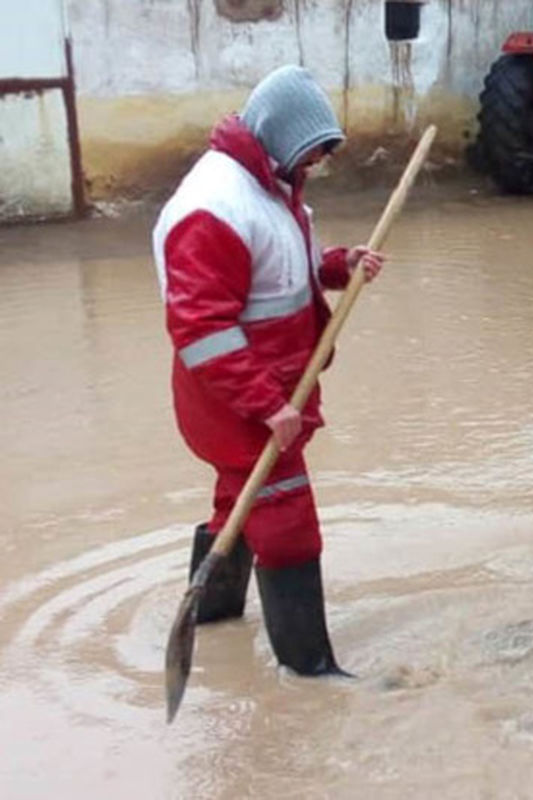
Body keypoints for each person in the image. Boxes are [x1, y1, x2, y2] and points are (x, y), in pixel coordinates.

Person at [151, 65, 384, 675]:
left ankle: (217, 614)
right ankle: (309, 670)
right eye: (310, 156)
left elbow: (283, 271)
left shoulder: (272, 186)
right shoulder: (213, 207)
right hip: (236, 404)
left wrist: (340, 264)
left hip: (268, 394)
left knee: (239, 501)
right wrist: (266, 404)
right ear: (279, 139)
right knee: (288, 526)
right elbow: (201, 329)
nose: (313, 169)